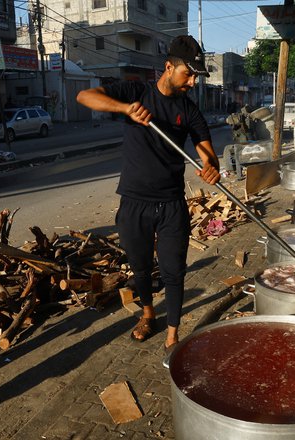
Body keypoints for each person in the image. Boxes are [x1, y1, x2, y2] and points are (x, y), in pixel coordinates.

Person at [76, 35, 220, 352]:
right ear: (169, 67)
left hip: (171, 204)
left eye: (197, 76)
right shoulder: (136, 92)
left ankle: (173, 334)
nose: (193, 82)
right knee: (140, 269)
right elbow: (85, 96)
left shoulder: (189, 109)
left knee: (174, 271)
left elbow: (206, 150)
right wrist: (125, 109)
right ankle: (147, 314)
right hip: (134, 202)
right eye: (189, 74)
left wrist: (211, 166)